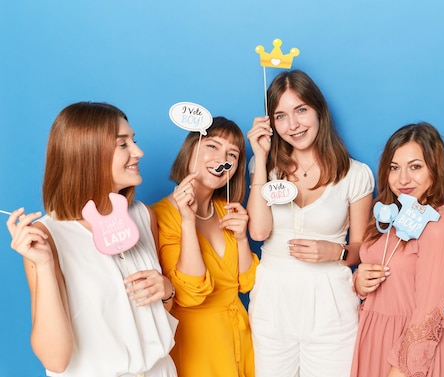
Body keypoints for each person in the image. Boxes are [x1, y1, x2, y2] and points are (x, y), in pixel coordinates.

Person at [5, 102, 178, 376]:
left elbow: (157, 313)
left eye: (134, 141)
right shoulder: (47, 237)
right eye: (123, 145)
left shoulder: (143, 216)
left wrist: (167, 290)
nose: (138, 152)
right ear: (87, 153)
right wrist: (46, 265)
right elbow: (55, 360)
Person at [246, 69, 374, 377]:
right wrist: (260, 160)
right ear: (271, 123)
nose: (293, 125)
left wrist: (334, 253)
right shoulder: (263, 168)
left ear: (319, 111)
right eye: (281, 115)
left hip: (331, 305)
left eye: (301, 110)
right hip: (273, 303)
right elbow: (259, 232)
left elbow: (361, 250)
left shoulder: (355, 175)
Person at [351, 123, 444, 377]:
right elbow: (380, 271)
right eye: (394, 168)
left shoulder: (439, 226)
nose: (402, 179)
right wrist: (360, 282)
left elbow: (429, 311)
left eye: (415, 167)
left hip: (410, 351)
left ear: (435, 170)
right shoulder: (388, 216)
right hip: (374, 337)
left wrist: (401, 370)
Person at [152, 116, 259, 377]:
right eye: (212, 146)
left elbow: (248, 283)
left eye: (232, 154)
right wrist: (187, 222)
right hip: (196, 348)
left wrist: (243, 238)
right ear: (191, 149)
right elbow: (189, 293)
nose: (223, 159)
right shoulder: (159, 215)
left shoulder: (227, 210)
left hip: (242, 341)